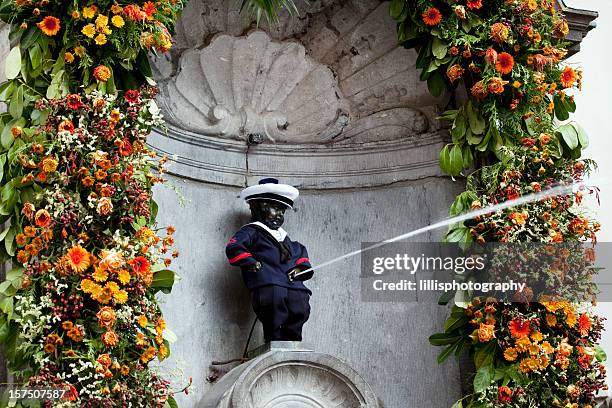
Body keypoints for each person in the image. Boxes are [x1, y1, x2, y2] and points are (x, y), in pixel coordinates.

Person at [225, 178, 314, 342]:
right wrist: (252, 263)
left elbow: (298, 254)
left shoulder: (286, 238)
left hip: (291, 283)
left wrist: (300, 269)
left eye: (282, 211)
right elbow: (234, 248)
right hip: (269, 282)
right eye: (275, 209)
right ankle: (273, 341)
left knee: (300, 304)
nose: (280, 214)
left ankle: (293, 342)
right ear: (259, 208)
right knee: (273, 305)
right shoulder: (252, 231)